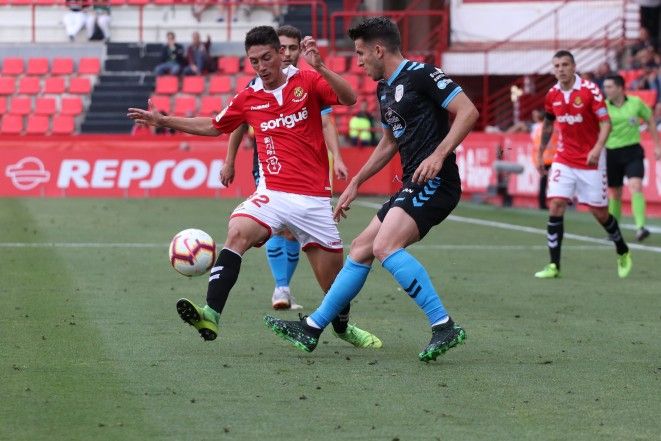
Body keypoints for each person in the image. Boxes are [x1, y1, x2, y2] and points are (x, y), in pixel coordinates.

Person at [128, 26, 382, 349]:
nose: (261, 67)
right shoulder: (249, 97)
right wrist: (166, 121)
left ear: (280, 53)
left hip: (313, 201)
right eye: (254, 61)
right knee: (236, 232)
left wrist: (319, 66)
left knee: (333, 285)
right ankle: (210, 314)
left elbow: (349, 98)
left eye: (266, 58)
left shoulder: (306, 81)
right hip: (272, 193)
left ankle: (343, 328)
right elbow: (214, 125)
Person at [263, 17, 479, 362]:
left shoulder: (423, 75)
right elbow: (389, 142)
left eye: (361, 53)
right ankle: (313, 327)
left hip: (436, 182)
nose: (359, 61)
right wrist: (356, 182)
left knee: (384, 245)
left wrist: (439, 154)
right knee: (362, 247)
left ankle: (444, 326)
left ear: (379, 50)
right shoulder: (384, 89)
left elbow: (468, 111)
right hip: (413, 182)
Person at [220, 25, 349, 311]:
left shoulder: (307, 83)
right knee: (277, 227)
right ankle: (281, 287)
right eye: (284, 48)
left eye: (293, 48)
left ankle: (289, 289)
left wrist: (336, 156)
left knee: (292, 231)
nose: (288, 53)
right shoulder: (253, 89)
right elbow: (237, 123)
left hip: (308, 169)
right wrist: (229, 160)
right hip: (269, 165)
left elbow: (327, 120)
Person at [534, 50, 632, 279]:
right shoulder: (552, 94)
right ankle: (554, 265)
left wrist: (597, 149)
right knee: (556, 204)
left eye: (565, 64)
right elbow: (548, 125)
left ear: (574, 66)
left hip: (591, 161)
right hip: (564, 158)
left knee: (599, 213)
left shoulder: (590, 91)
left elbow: (606, 124)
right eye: (557, 65)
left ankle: (622, 250)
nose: (561, 69)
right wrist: (540, 154)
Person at [603, 74, 661, 241]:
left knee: (636, 186)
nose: (606, 90)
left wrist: (657, 146)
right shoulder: (603, 107)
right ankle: (613, 230)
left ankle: (640, 227)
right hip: (612, 152)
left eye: (609, 87)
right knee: (615, 193)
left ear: (620, 88)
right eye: (605, 87)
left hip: (633, 151)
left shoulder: (636, 103)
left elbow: (650, 121)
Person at [530, 109, 557, 209]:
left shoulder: (536, 128)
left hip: (542, 158)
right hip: (553, 158)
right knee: (554, 181)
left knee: (543, 181)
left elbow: (534, 141)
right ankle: (554, 202)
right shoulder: (554, 127)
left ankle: (542, 203)